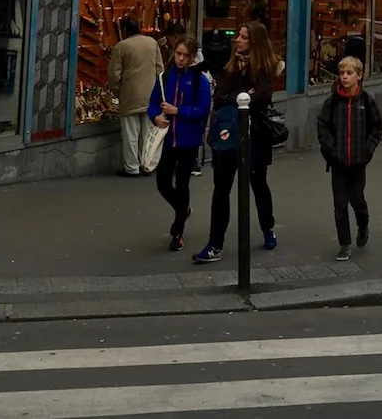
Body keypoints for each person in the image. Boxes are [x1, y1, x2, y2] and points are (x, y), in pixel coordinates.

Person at [192, 21, 282, 263]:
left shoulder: (265, 68)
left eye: (243, 37)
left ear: (255, 43)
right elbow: (220, 96)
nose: (238, 40)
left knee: (258, 183)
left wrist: (243, 97)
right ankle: (215, 244)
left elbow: (262, 96)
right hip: (228, 135)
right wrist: (243, 97)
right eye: (239, 36)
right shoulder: (230, 66)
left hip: (256, 137)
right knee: (221, 190)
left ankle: (267, 227)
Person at [316, 55, 382, 261]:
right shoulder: (333, 102)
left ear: (359, 76)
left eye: (349, 73)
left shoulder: (365, 101)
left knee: (357, 200)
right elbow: (322, 126)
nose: (344, 77)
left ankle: (363, 224)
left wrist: (366, 151)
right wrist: (331, 150)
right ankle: (344, 243)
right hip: (338, 162)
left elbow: (377, 126)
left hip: (357, 161)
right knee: (339, 205)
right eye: (342, 73)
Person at [149, 36, 211, 251]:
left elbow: (203, 110)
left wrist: (179, 111)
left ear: (192, 57)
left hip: (188, 140)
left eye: (186, 55)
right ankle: (182, 209)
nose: (181, 59)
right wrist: (156, 116)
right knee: (163, 182)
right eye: (178, 54)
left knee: (183, 183)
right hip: (168, 138)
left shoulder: (198, 80)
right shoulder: (165, 78)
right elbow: (153, 103)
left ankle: (178, 232)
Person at [107, 17, 161, 177]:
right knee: (147, 132)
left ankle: (132, 167)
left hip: (129, 95)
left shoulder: (121, 47)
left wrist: (117, 92)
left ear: (124, 30)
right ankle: (147, 164)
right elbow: (159, 68)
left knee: (130, 133)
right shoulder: (152, 43)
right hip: (150, 94)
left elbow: (114, 75)